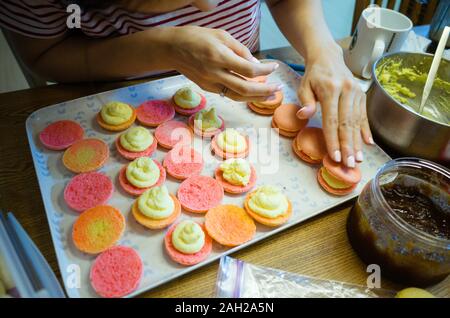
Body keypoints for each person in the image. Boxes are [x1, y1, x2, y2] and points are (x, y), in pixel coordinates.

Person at [1, 0, 374, 167]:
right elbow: (45, 53)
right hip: (99, 94)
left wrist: (323, 49)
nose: (210, 7)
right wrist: (162, 48)